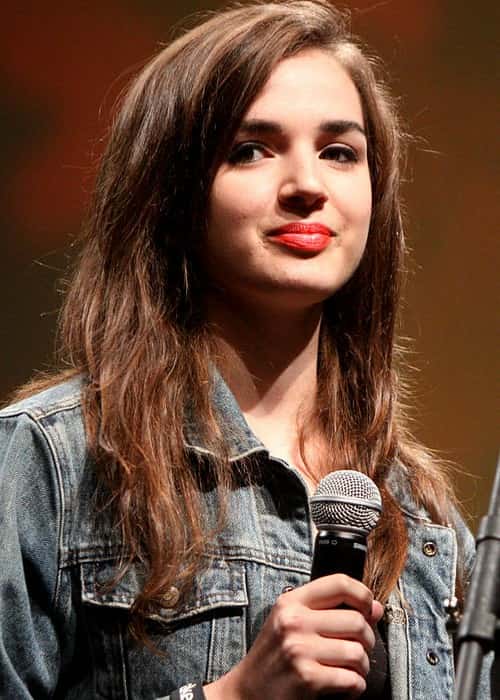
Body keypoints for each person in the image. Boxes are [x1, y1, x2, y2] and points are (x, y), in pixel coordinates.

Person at [0, 1, 493, 698]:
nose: (306, 186)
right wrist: (231, 696)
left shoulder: (426, 523)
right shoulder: (53, 466)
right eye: (251, 149)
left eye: (339, 152)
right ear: (170, 194)